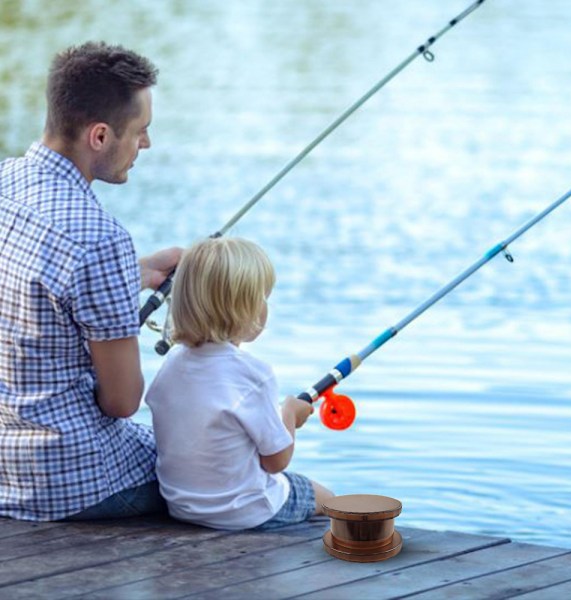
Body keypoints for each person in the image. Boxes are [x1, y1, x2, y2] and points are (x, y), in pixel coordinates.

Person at [0, 42, 181, 521]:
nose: (146, 144)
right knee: (224, 468)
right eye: (140, 131)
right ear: (100, 136)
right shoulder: (99, 237)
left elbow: (33, 290)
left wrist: (134, 275)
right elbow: (122, 402)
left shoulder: (5, 183)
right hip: (68, 479)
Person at [146, 237, 334, 530]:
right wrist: (290, 414)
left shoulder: (172, 364)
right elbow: (276, 462)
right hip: (247, 512)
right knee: (327, 499)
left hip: (182, 507)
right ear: (243, 310)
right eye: (263, 298)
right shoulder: (253, 375)